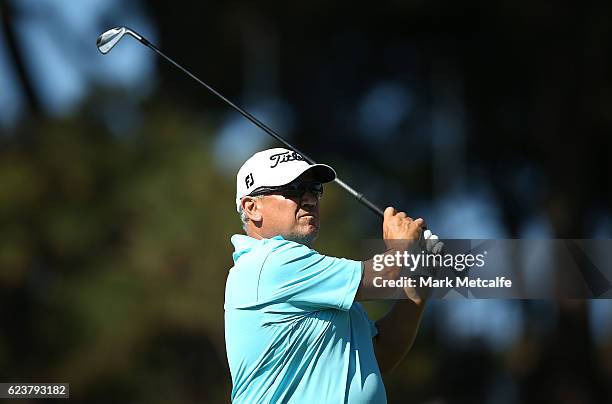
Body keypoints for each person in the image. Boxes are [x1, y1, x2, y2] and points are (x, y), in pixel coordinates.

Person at [225, 148, 433, 403]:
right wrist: (403, 248)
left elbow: (382, 353)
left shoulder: (318, 279)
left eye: (314, 189)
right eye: (293, 189)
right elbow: (388, 274)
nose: (310, 199)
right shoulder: (269, 263)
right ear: (252, 207)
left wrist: (421, 279)